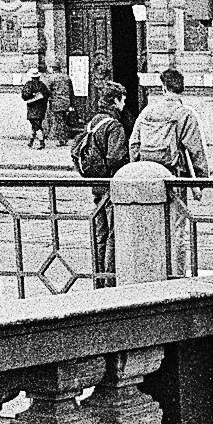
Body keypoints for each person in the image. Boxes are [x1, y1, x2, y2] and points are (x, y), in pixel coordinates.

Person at [129, 67, 208, 273]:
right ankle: (177, 273)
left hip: (148, 175)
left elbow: (134, 144)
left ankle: (152, 271)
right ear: (182, 89)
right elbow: (196, 150)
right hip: (174, 177)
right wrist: (200, 182)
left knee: (151, 225)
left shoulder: (147, 111)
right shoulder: (185, 114)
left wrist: (137, 169)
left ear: (163, 88)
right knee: (177, 227)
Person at [72, 80, 129, 283]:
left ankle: (98, 276)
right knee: (113, 232)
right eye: (123, 100)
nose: (124, 105)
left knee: (100, 232)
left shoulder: (94, 121)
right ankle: (110, 278)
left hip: (95, 183)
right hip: (110, 184)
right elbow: (115, 157)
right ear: (115, 100)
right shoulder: (114, 125)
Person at [44, 59, 75, 146]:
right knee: (64, 120)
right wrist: (72, 103)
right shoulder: (66, 77)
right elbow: (71, 91)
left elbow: (47, 90)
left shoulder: (51, 78)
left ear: (53, 68)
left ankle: (62, 139)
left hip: (56, 102)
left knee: (59, 121)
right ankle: (64, 138)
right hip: (66, 101)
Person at [21, 67, 50, 150]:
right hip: (41, 108)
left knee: (37, 126)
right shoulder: (42, 85)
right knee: (35, 125)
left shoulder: (29, 84)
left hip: (32, 107)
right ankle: (31, 142)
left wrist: (32, 96)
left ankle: (41, 142)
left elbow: (25, 95)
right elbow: (47, 95)